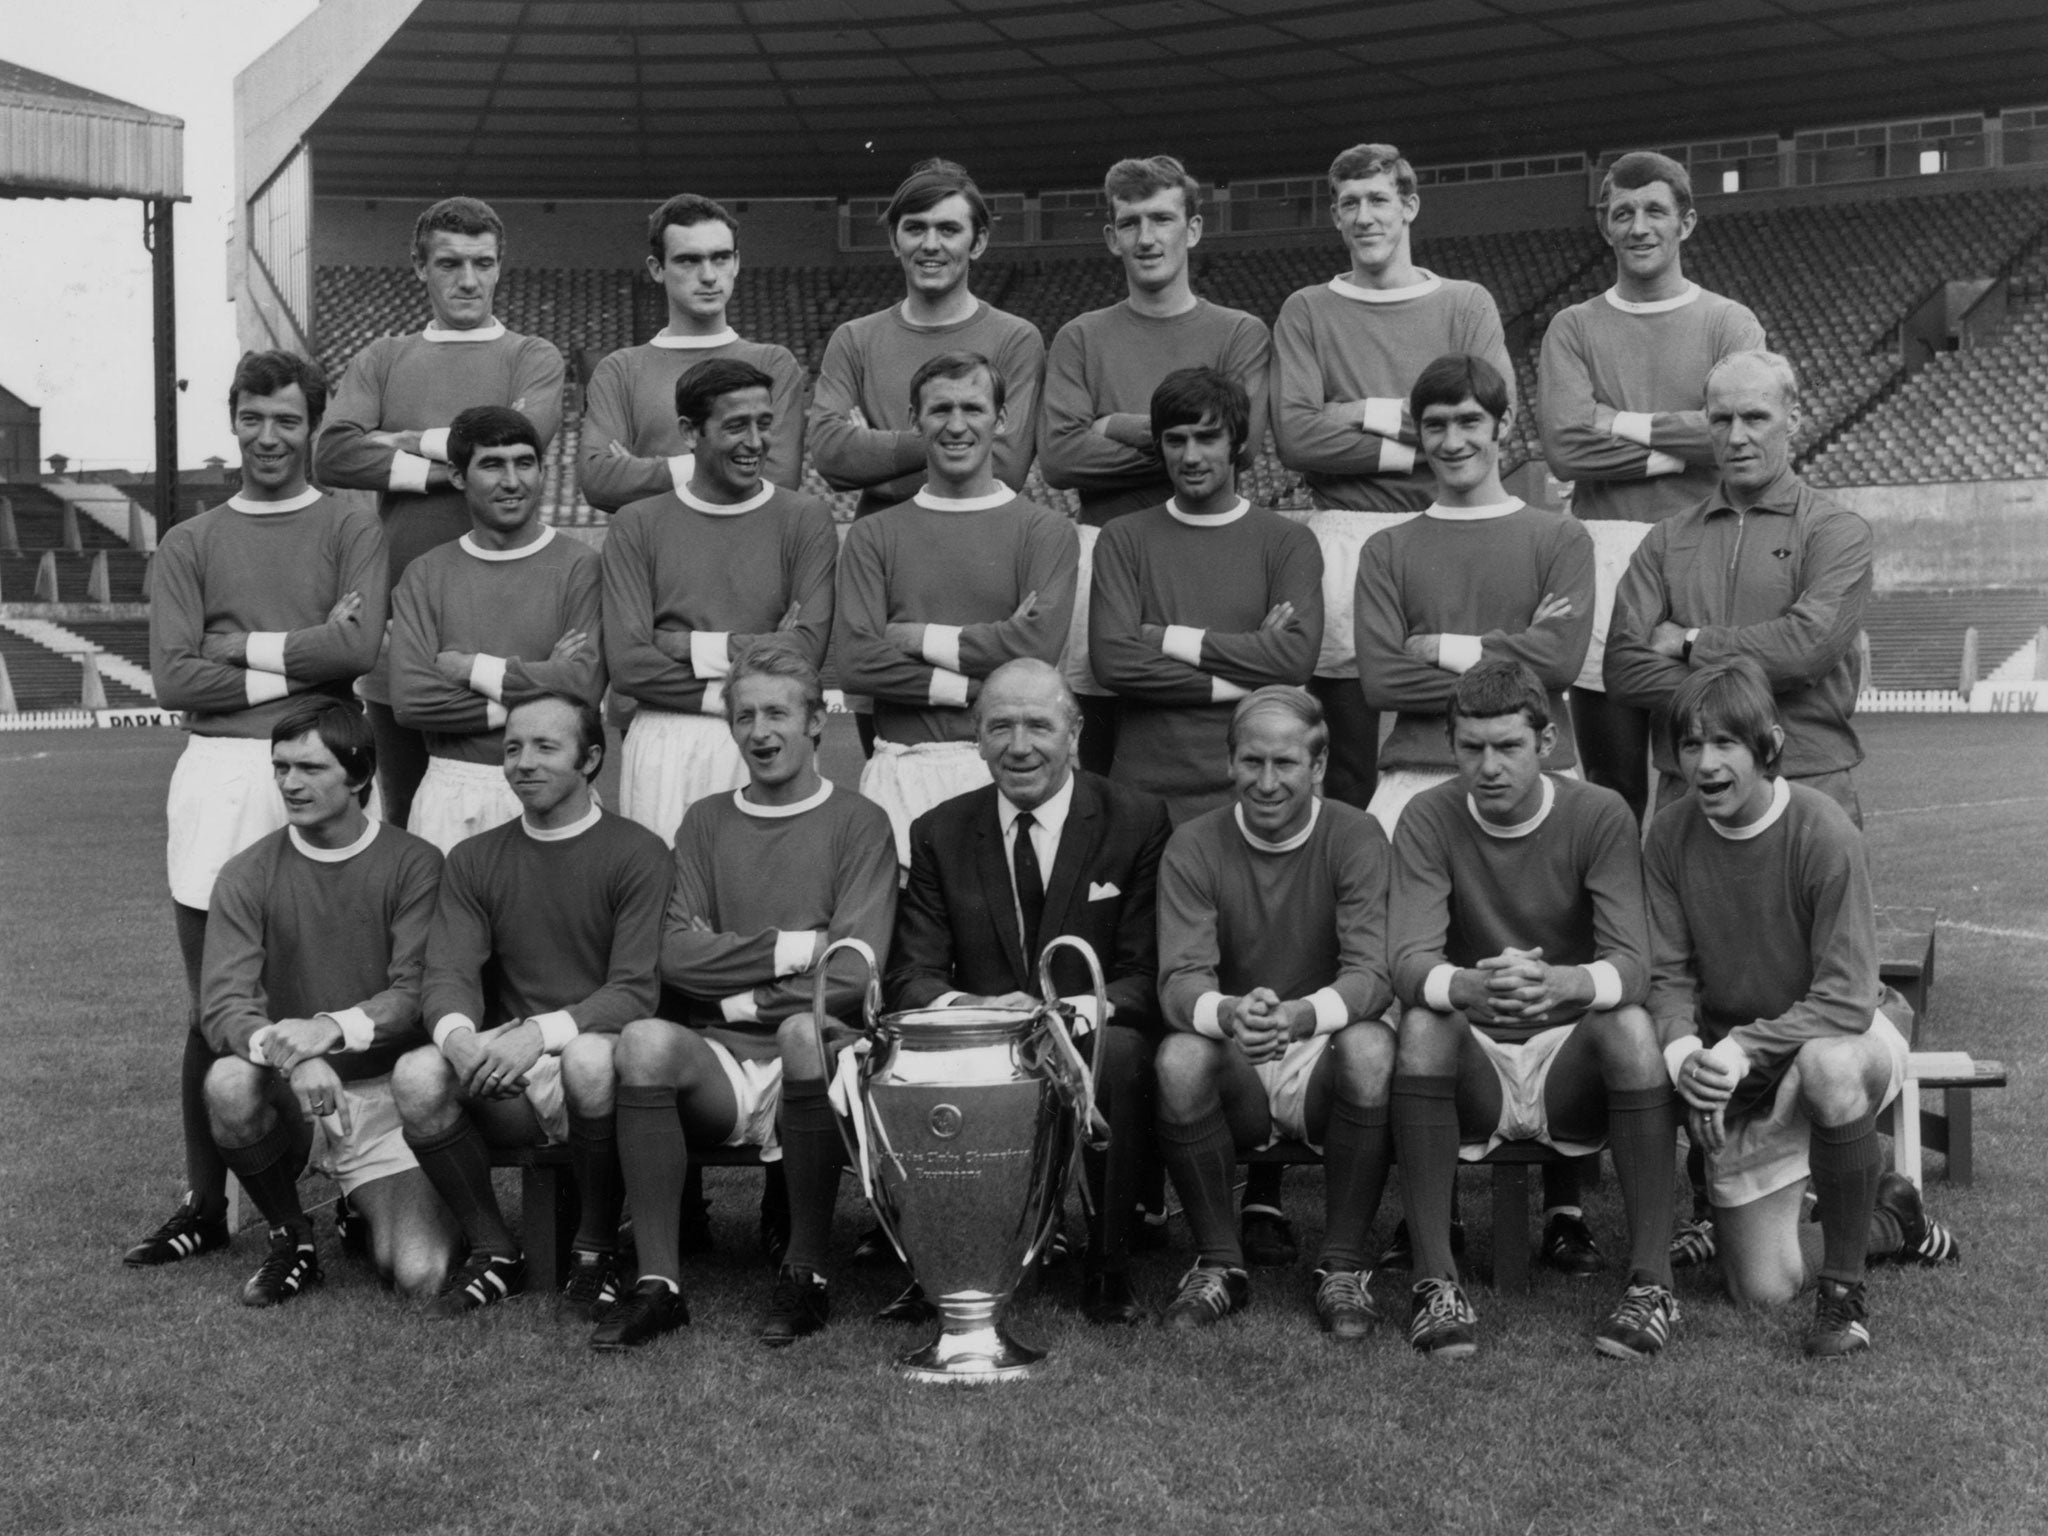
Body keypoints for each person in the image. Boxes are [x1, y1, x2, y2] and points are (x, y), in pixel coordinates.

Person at [129, 350, 387, 1270]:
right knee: (215, 1005)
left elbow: (357, 647)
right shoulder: (190, 541)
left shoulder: (351, 522)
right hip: (220, 779)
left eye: (287, 419)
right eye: (253, 417)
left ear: (312, 424)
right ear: (231, 420)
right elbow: (173, 677)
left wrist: (240, 652)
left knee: (340, 990)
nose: (269, 437)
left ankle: (360, 1183)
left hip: (331, 767)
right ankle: (208, 1203)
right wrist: (303, 655)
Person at [1647, 658, 1959, 1358]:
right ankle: (1892, 1220)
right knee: (1759, 1286)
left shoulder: (1821, 831)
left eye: (1725, 743)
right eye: (1690, 745)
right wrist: (1684, 1056)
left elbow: (1847, 994)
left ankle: (1844, 1297)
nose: (1705, 763)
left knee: (1826, 1065)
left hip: (1845, 1031)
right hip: (1742, 1057)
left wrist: (1739, 1048)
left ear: (1769, 746)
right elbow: (1665, 976)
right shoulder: (1667, 837)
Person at [595, 643, 898, 1351]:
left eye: (777, 714)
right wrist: (797, 948)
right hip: (724, 1063)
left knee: (801, 1033)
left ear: (817, 722)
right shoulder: (705, 821)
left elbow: (852, 975)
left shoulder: (859, 822)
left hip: (826, 1057)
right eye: (744, 717)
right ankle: (660, 1284)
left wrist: (732, 987)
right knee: (642, 1042)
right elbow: (672, 955)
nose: (760, 733)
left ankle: (807, 1272)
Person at [1387, 660, 1678, 1360]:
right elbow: (1406, 963)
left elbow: (1634, 965)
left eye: (1508, 746)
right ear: (1449, 746)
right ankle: (1435, 1284)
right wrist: (1469, 987)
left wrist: (1563, 984)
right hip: (1477, 1065)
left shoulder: (1598, 813)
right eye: (1470, 748)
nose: (1488, 766)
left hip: (1567, 1062)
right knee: (1425, 1021)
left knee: (1631, 1025)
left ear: (1546, 743)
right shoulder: (1427, 816)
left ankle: (1651, 1284)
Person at [888, 658, 1173, 1326]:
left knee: (1124, 1051)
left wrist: (1059, 1012)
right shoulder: (939, 831)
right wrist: (976, 1012)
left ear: (1074, 732)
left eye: (1038, 725)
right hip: (985, 1042)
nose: (1020, 745)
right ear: (977, 737)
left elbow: (1147, 971)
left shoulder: (1136, 820)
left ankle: (1108, 1266)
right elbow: (911, 975)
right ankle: (951, 1257)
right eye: (1000, 726)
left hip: (1090, 1030)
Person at [393, 693, 671, 1318]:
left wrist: (540, 1034)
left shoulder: (638, 851)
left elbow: (634, 989)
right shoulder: (474, 858)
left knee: (591, 1060)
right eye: (513, 747)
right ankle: (495, 1252)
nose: (524, 762)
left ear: (591, 758)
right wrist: (460, 1037)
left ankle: (596, 1251)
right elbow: (446, 975)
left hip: (599, 1065)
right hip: (508, 1079)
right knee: (416, 1075)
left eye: (547, 747)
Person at [1272, 143, 1515, 814]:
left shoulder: (1465, 305)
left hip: (1447, 533)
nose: (1365, 216)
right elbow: (1296, 436)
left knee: (1461, 728)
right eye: (1350, 203)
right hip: (1344, 538)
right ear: (1335, 217)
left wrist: (1361, 412)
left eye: (1379, 199)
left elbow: (1499, 419)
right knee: (1348, 752)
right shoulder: (1308, 310)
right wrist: (1435, 440)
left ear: (1408, 206)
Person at [315, 196, 566, 827]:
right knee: (407, 823)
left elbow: (523, 437)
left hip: (513, 620)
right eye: (450, 263)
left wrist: (404, 439)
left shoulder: (532, 356)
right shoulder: (384, 357)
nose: (469, 279)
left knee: (532, 819)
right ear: (420, 268)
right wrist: (451, 471)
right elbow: (335, 453)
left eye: (483, 263)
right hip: (405, 621)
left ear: (501, 266)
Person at [1152, 687, 1396, 1337]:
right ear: (1228, 763)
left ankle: (1342, 1264)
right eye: (1250, 762)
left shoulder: (1356, 834)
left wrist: (1297, 1016)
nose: (1265, 782)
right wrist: (1232, 1012)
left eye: (1284, 764)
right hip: (1238, 1049)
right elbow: (1178, 980)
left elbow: (1374, 974)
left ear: (1317, 767)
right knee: (1177, 1059)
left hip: (1320, 1046)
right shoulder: (1194, 844)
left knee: (1374, 1049)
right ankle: (1219, 1263)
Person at [199, 700, 456, 1305]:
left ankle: (361, 1207)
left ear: (360, 774)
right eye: (281, 767)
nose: (290, 783)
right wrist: (296, 1054)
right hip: (296, 1099)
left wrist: (329, 1032)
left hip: (390, 1094)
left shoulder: (415, 863)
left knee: (421, 1275)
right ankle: (292, 1239)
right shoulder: (245, 874)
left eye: (310, 768)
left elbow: (417, 992)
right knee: (229, 1082)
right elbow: (223, 1005)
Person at [1539, 150, 1767, 822]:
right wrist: (1686, 449)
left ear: (1686, 222)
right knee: (1612, 788)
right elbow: (1566, 444)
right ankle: (1618, 929)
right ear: (1606, 227)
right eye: (1622, 213)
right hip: (1603, 559)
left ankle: (1691, 924)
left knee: (1703, 769)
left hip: (1702, 552)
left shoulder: (1730, 322)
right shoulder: (1574, 327)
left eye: (1655, 211)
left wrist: (1623, 423)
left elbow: (1736, 435)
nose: (1638, 227)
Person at [1038, 155, 1274, 772]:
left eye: (1162, 218)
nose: (1147, 237)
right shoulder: (1081, 337)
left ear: (1192, 229)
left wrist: (1113, 424)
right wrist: (1190, 433)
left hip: (1209, 554)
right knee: (1104, 747)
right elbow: (1060, 456)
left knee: (1221, 733)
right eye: (1130, 222)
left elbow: (1242, 446)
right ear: (1111, 237)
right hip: (1110, 553)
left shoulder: (1238, 333)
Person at [1605, 349, 1873, 825]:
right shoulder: (1665, 539)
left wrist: (1690, 642)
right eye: (1721, 420)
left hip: (1805, 779)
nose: (1737, 437)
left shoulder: (1836, 532)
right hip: (1689, 788)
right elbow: (1625, 669)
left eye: (1755, 417)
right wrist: (1759, 681)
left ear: (1792, 421)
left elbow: (1805, 649)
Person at [833, 352, 1078, 864]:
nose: (957, 425)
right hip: (903, 769)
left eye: (974, 408)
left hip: (1008, 769)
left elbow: (1035, 651)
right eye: (941, 409)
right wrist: (978, 684)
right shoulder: (874, 533)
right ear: (914, 420)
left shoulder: (1044, 530)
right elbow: (857, 663)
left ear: (1002, 420)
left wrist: (915, 638)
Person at [601, 358, 838, 847]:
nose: (755, 442)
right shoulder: (636, 523)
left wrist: (680, 644)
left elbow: (806, 653)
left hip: (770, 734)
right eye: (736, 426)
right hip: (668, 740)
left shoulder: (805, 518)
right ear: (690, 432)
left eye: (764, 424)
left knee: (776, 899)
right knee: (670, 903)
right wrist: (750, 672)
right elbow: (627, 665)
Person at [1355, 353, 1595, 833]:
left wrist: (1438, 648)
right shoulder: (1386, 549)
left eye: (1469, 421)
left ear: (1502, 424)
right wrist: (1524, 668)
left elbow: (1561, 662)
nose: (1453, 441)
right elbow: (1382, 681)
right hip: (1417, 774)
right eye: (1435, 425)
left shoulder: (1561, 539)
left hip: (1540, 773)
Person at [1089, 366, 1323, 823]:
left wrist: (1164, 640)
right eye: (1175, 440)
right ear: (1159, 446)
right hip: (1145, 786)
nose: (1191, 456)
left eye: (1207, 438)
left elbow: (1294, 659)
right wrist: (1251, 672)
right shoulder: (1122, 538)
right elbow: (1114, 661)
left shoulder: (1287, 542)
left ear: (1237, 443)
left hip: (1254, 786)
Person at [389, 406, 604, 852]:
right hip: (453, 789)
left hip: (556, 788)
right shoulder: (426, 574)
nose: (512, 481)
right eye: (492, 464)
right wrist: (546, 690)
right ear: (457, 476)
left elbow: (584, 685)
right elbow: (412, 702)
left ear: (543, 471)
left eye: (525, 463)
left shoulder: (580, 566)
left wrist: (473, 671)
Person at [809, 158, 1044, 519]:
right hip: (880, 546)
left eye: (948, 230)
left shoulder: (1016, 339)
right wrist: (963, 443)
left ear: (978, 242)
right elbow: (831, 454)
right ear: (894, 239)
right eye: (915, 228)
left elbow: (1006, 467)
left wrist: (881, 468)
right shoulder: (854, 340)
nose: (930, 244)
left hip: (982, 541)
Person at [579, 193, 808, 511]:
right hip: (653, 556)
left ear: (737, 263)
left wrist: (646, 470)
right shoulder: (619, 370)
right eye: (689, 260)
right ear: (657, 269)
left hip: (748, 555)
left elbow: (779, 481)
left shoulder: (774, 364)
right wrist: (727, 465)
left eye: (721, 258)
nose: (709, 275)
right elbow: (599, 480)